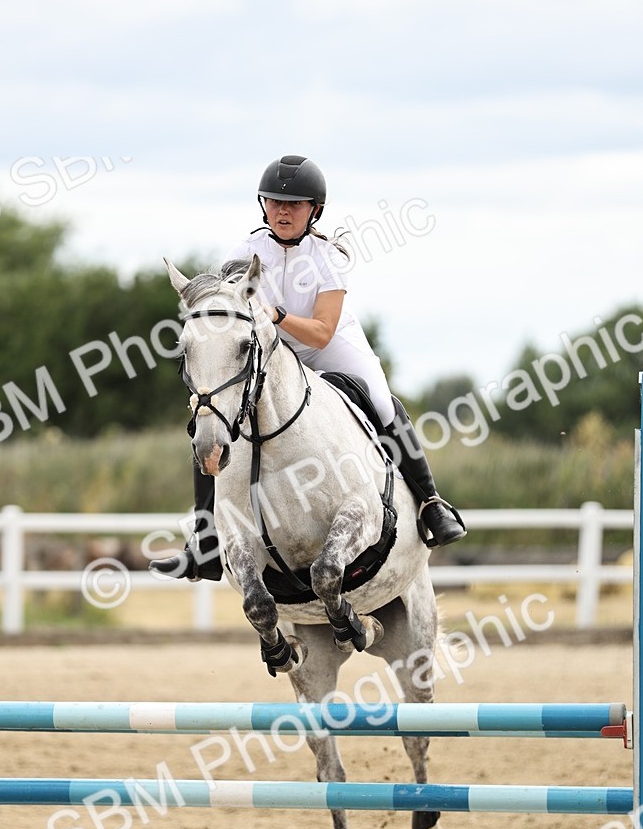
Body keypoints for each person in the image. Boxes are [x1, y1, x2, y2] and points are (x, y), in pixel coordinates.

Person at [150, 154, 466, 581]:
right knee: (211, 418)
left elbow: (320, 332)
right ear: (263, 205)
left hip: (328, 345)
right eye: (274, 202)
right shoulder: (245, 251)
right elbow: (226, 307)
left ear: (313, 210)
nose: (283, 210)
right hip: (270, 349)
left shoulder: (327, 257)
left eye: (294, 204)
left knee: (382, 400)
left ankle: (430, 503)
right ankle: (205, 541)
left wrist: (276, 315)